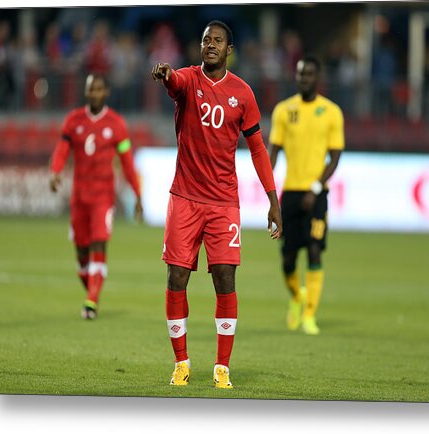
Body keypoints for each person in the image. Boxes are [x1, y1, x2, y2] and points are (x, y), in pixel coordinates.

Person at [151, 20, 282, 389]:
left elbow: (257, 148)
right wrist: (165, 75)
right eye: (206, 39)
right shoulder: (188, 81)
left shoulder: (243, 93)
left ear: (229, 50)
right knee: (176, 277)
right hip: (185, 198)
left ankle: (222, 367)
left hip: (224, 202)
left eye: (218, 40)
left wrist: (274, 200)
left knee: (225, 279)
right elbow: (173, 81)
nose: (210, 44)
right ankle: (181, 363)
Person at [49, 73, 143, 320]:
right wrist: (56, 171)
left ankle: (91, 301)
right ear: (86, 92)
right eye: (91, 89)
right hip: (79, 197)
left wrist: (138, 194)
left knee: (99, 243)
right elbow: (62, 149)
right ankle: (91, 290)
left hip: (103, 197)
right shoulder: (73, 121)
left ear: (106, 92)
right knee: (81, 253)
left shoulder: (116, 124)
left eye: (99, 89)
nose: (95, 93)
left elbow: (127, 162)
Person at [269, 54, 344, 335]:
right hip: (290, 193)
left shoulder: (332, 112)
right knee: (288, 257)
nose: (304, 79)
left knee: (314, 250)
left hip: (317, 194)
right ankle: (297, 299)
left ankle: (310, 316)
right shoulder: (283, 110)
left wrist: (316, 187)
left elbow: (334, 158)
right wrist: (269, 186)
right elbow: (273, 152)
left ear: (318, 77)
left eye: (309, 74)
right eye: (300, 74)